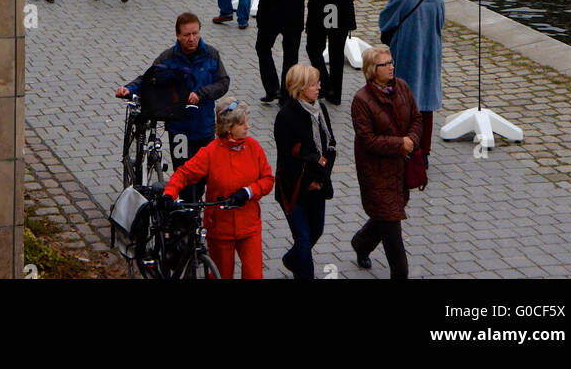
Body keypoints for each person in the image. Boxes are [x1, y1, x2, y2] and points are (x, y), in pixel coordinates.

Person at [163, 96, 274, 280]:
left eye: (247, 122)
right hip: (220, 228)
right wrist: (169, 193)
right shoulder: (210, 152)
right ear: (228, 128)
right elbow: (184, 174)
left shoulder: (254, 148)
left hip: (249, 225)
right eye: (242, 124)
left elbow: (268, 179)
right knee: (221, 275)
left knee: (254, 274)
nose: (248, 127)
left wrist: (248, 192)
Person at [116, 12, 229, 185]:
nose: (192, 38)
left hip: (204, 128)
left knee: (202, 176)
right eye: (186, 35)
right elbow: (148, 79)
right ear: (178, 35)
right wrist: (128, 89)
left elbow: (223, 82)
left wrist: (201, 94)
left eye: (195, 33)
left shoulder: (211, 55)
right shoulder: (168, 58)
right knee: (183, 173)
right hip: (179, 129)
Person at [350, 46, 421, 279]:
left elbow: (416, 118)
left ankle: (361, 242)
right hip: (376, 173)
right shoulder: (361, 100)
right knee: (392, 228)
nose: (391, 67)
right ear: (372, 69)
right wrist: (400, 144)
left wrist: (411, 140)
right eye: (385, 64)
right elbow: (367, 140)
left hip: (400, 169)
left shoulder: (402, 87)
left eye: (391, 62)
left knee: (385, 216)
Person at [377, 0, 444, 162]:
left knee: (404, 101)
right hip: (430, 55)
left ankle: (407, 147)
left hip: (407, 53)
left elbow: (385, 21)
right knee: (426, 104)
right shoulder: (438, 0)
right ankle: (424, 151)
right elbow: (439, 25)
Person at [274, 63, 336, 280]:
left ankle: (291, 261)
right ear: (300, 88)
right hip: (294, 187)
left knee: (315, 231)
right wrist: (309, 179)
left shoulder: (320, 109)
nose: (319, 87)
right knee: (303, 239)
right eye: (313, 84)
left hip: (318, 185)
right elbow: (286, 159)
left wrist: (322, 176)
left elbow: (331, 146)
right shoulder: (286, 116)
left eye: (318, 82)